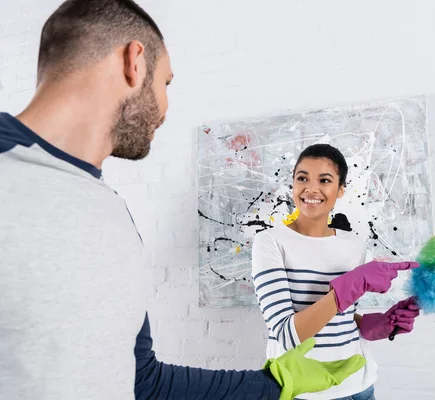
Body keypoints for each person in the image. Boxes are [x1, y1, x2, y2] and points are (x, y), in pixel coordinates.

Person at [0, 1, 369, 399]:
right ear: (134, 62)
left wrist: (274, 386)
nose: (165, 107)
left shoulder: (110, 210)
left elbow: (143, 381)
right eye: (166, 83)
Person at [251, 143, 421, 400]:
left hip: (359, 386)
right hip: (303, 391)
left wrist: (375, 325)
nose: (311, 188)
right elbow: (286, 335)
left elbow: (341, 317)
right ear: (293, 184)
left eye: (325, 180)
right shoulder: (271, 242)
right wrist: (348, 287)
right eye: (302, 178)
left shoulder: (354, 246)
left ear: (340, 190)